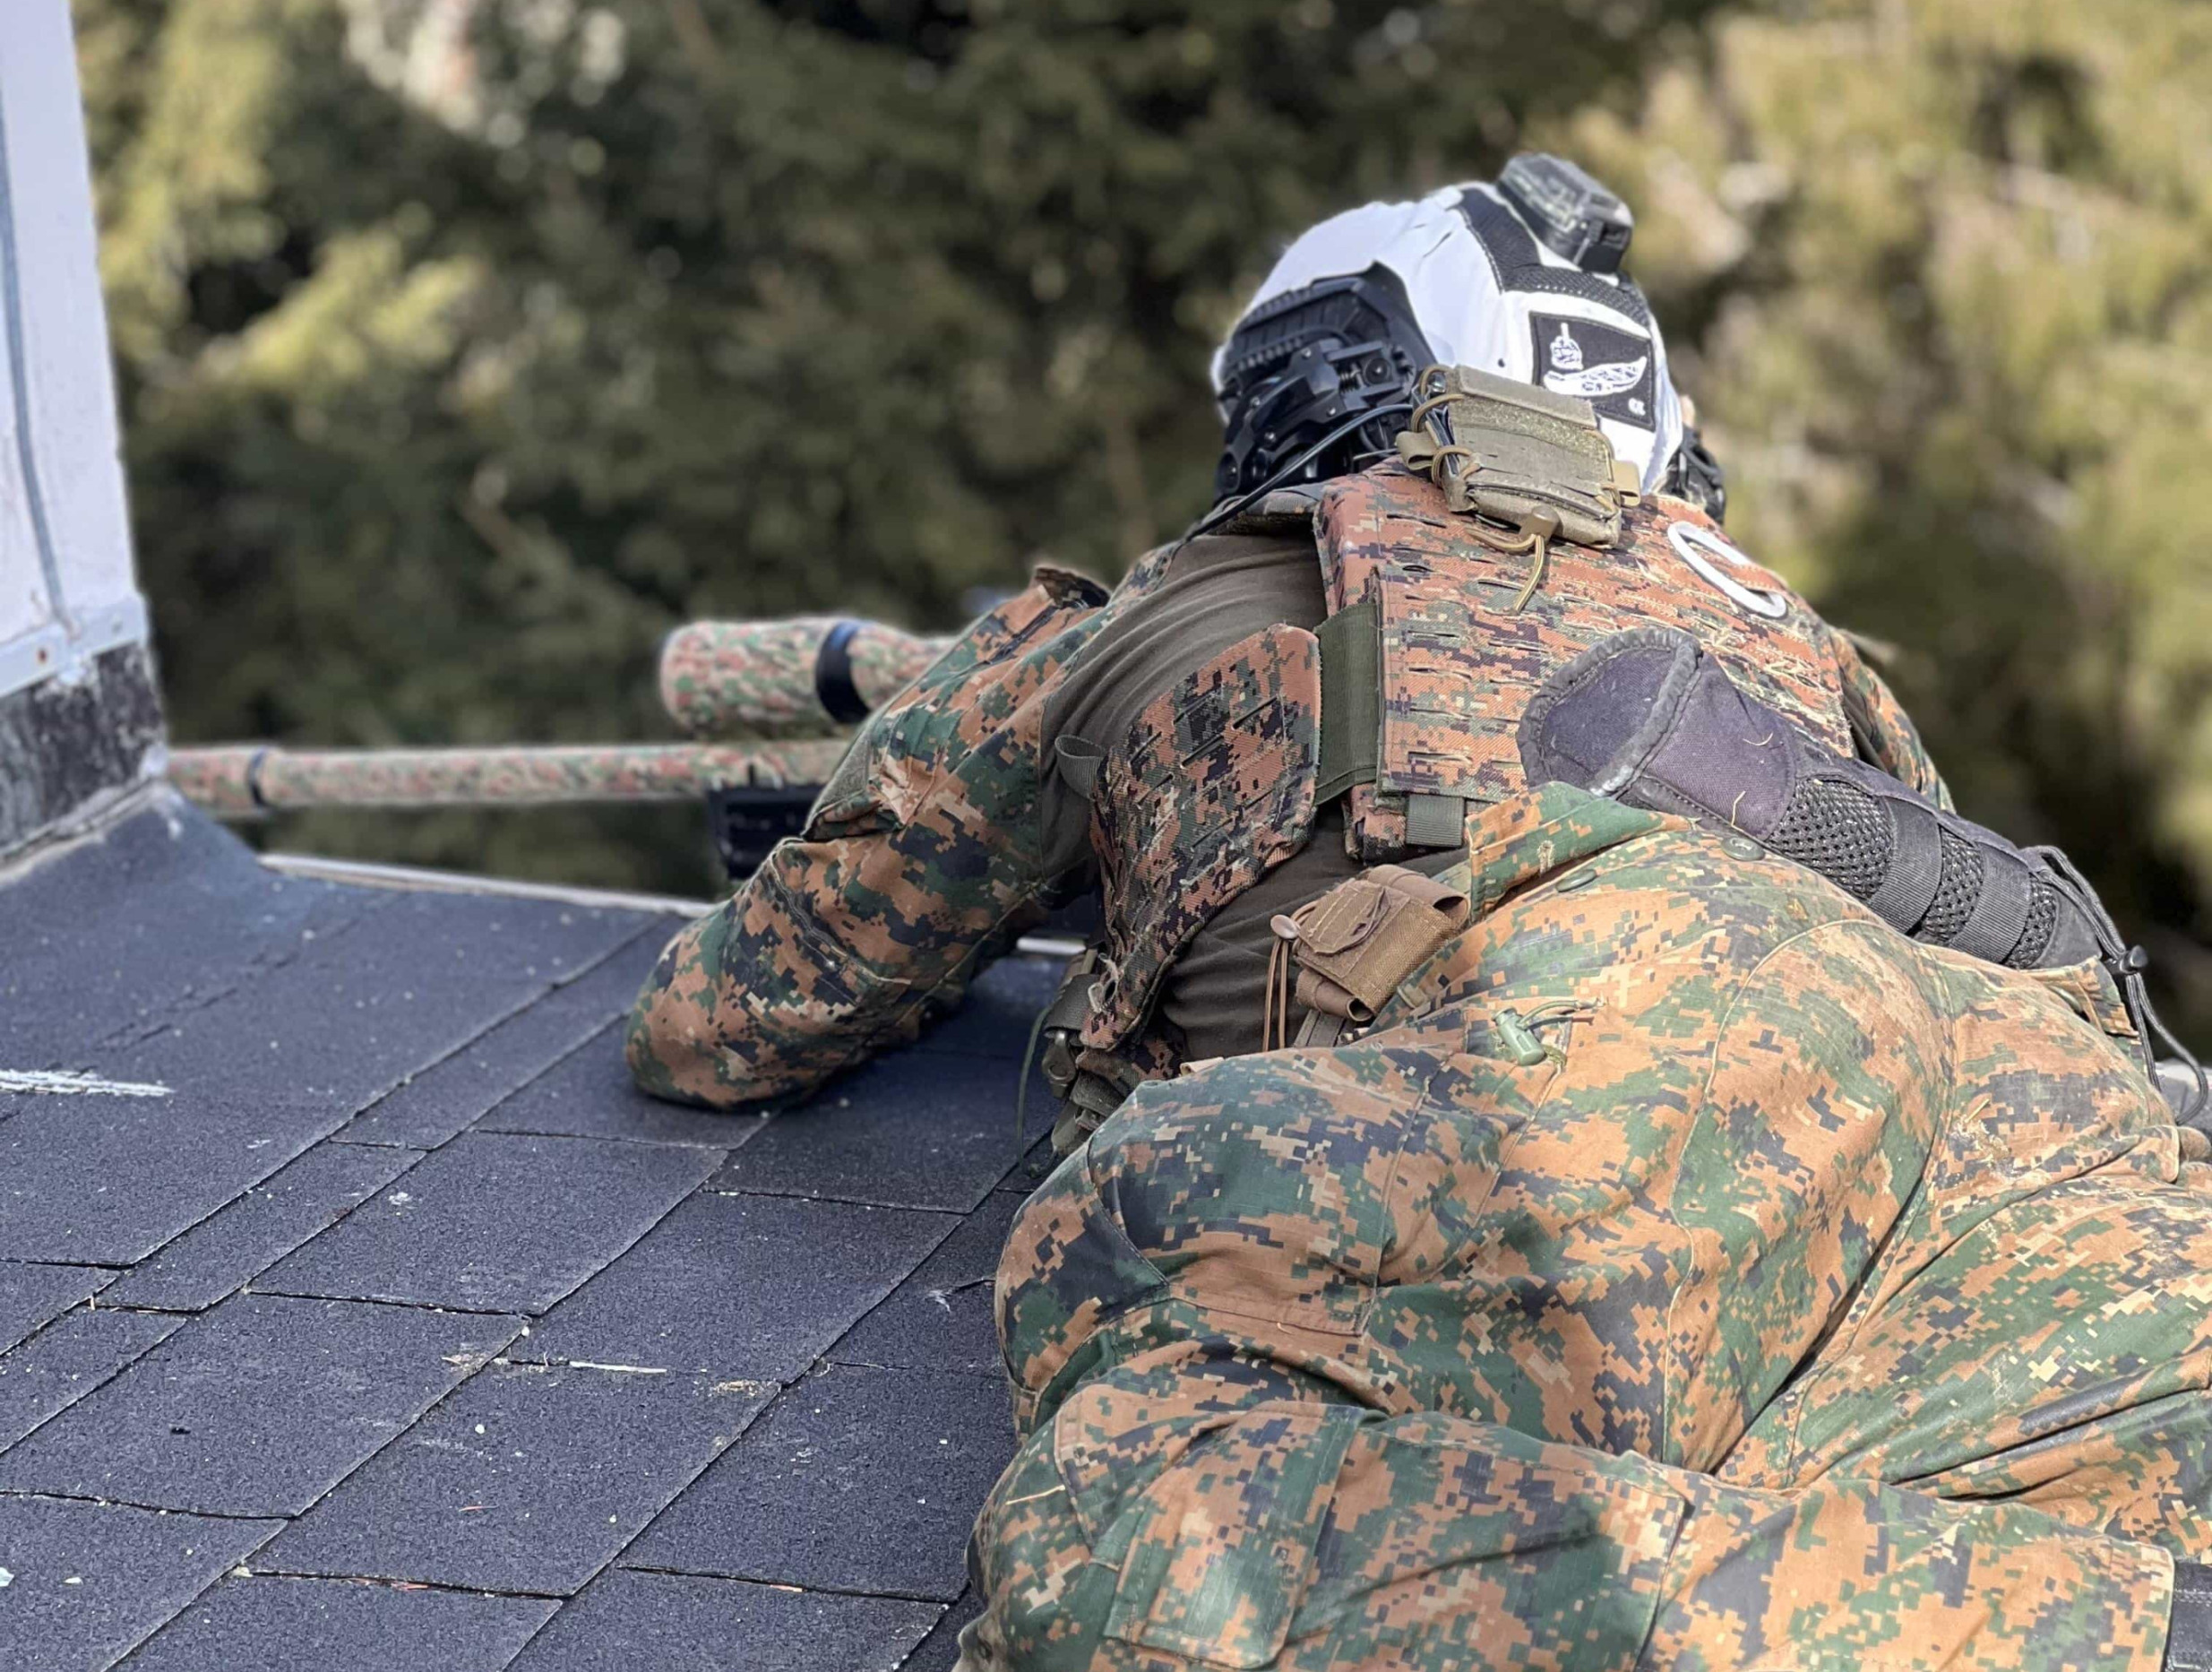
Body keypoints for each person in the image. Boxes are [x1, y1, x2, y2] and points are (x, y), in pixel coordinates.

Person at [626, 158, 2212, 1669]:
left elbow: (728, 1018)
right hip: (2047, 1114)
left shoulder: (1182, 594)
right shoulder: (1788, 631)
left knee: (1142, 1551)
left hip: (1602, 1056)